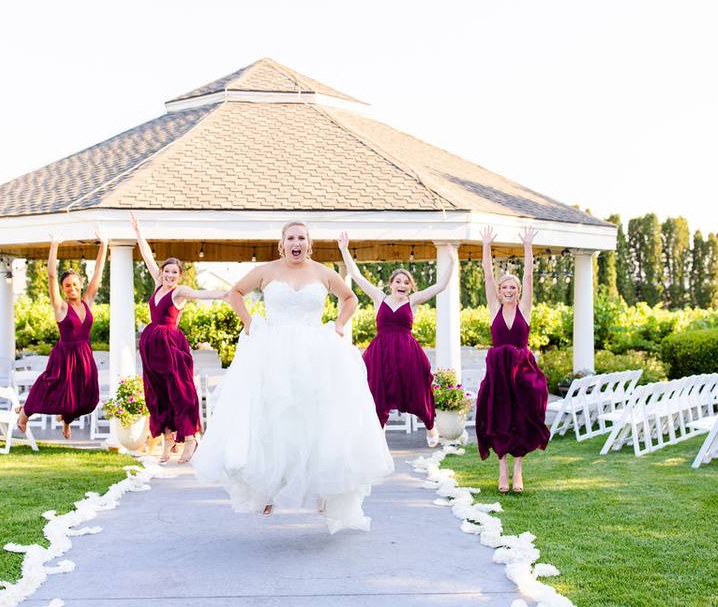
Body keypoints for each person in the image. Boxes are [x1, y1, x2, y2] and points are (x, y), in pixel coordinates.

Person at [192, 222, 394, 534]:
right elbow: (235, 293)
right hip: (273, 352)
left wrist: (340, 323)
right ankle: (265, 489)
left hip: (316, 353)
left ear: (309, 244)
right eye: (291, 238)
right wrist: (248, 322)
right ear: (282, 244)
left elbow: (350, 299)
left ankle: (327, 489)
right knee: (271, 419)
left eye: (301, 238)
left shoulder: (323, 273)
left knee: (319, 421)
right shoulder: (267, 270)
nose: (296, 243)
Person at [337, 232, 458, 447]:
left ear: (410, 287)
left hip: (407, 354)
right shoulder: (379, 298)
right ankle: (379, 436)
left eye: (406, 283)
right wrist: (345, 249)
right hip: (381, 353)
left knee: (417, 390)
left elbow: (440, 286)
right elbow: (356, 276)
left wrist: (452, 260)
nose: (402, 285)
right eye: (398, 281)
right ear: (391, 283)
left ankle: (431, 426)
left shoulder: (412, 301)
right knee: (377, 392)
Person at [131, 214, 228, 463]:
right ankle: (167, 441)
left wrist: (226, 294)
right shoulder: (156, 284)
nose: (169, 275)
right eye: (167, 271)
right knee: (157, 395)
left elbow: (201, 294)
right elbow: (147, 257)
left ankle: (190, 438)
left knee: (180, 392)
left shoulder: (180, 292)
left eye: (174, 272)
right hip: (152, 348)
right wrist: (139, 233)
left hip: (171, 346)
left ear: (179, 275)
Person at [475, 225, 550, 494]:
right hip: (498, 373)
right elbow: (486, 273)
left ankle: (518, 470)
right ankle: (502, 469)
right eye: (504, 286)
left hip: (521, 372)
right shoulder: (494, 307)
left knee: (521, 416)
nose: (508, 290)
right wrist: (486, 245)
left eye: (513, 287)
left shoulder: (525, 309)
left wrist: (528, 246)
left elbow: (529, 275)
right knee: (499, 417)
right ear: (499, 290)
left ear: (518, 290)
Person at [18, 233, 107, 439]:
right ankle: (25, 413)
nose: (72, 288)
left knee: (88, 398)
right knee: (50, 388)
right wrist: (54, 245)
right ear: (63, 288)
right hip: (65, 355)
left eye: (75, 284)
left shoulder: (87, 301)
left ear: (80, 285)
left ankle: (66, 419)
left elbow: (98, 272)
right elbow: (50, 275)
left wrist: (104, 244)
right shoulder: (60, 306)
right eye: (67, 285)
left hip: (84, 354)